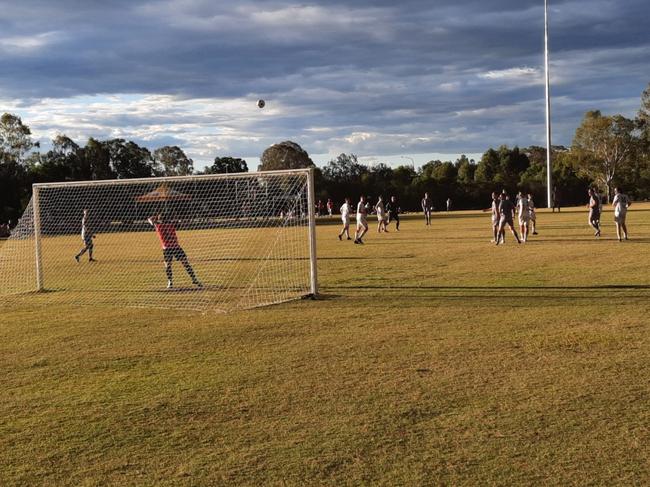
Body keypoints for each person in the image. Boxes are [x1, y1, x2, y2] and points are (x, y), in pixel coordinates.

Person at [148, 213, 202, 289]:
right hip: (176, 247)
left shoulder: (158, 226)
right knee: (185, 263)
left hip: (167, 248)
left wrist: (156, 218)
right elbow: (180, 222)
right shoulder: (171, 225)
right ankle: (194, 279)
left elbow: (149, 219)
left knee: (168, 265)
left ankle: (170, 282)